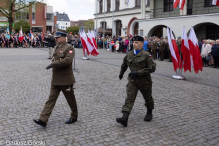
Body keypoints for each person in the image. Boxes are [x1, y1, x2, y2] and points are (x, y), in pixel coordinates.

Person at [33, 29, 78, 127]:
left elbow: (67, 61)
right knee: (51, 99)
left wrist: (53, 64)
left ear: (63, 38)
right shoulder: (56, 48)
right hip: (56, 79)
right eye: (55, 38)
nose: (56, 39)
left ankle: (74, 116)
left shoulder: (69, 48)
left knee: (71, 99)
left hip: (66, 80)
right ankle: (43, 119)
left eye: (57, 38)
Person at [116, 36, 156, 127]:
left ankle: (149, 112)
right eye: (134, 42)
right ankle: (124, 117)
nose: (134, 44)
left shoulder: (146, 55)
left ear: (142, 44)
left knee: (147, 97)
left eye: (137, 42)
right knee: (129, 98)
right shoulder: (129, 54)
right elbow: (124, 64)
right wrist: (121, 73)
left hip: (145, 81)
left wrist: (138, 72)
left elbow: (152, 68)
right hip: (133, 81)